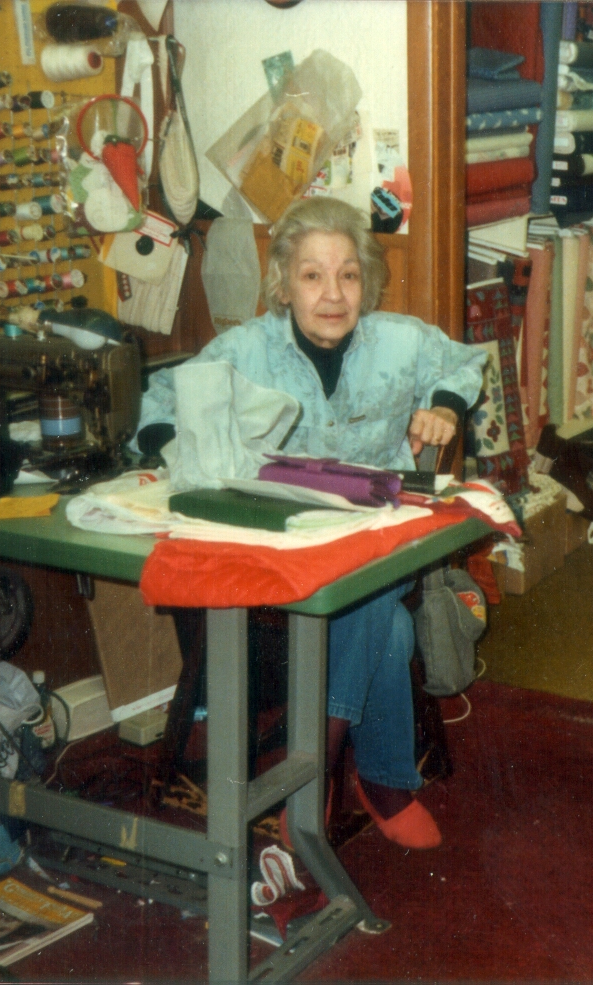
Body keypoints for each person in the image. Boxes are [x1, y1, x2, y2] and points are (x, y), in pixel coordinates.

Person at [136, 196, 485, 849]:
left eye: (348, 275)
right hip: (279, 552)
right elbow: (159, 402)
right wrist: (180, 457)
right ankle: (380, 780)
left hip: (371, 545)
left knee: (375, 592)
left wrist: (443, 407)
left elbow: (465, 362)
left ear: (365, 283)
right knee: (391, 624)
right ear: (282, 285)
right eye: (313, 275)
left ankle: (312, 768)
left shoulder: (399, 340)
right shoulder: (244, 350)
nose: (333, 294)